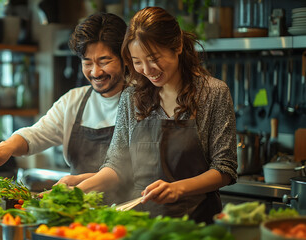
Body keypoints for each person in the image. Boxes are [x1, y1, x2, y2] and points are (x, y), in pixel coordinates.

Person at [76, 6, 238, 224]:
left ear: (177, 46)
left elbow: (225, 168)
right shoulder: (131, 96)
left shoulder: (213, 93)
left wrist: (177, 188)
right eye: (137, 61)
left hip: (197, 224)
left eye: (153, 58)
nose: (147, 69)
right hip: (141, 224)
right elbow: (116, 165)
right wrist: (75, 192)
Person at [0, 13, 128, 200]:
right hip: (76, 211)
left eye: (104, 61)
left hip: (125, 211)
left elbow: (132, 171)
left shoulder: (141, 102)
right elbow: (37, 134)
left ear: (124, 58)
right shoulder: (74, 101)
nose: (95, 72)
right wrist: (7, 146)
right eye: (87, 62)